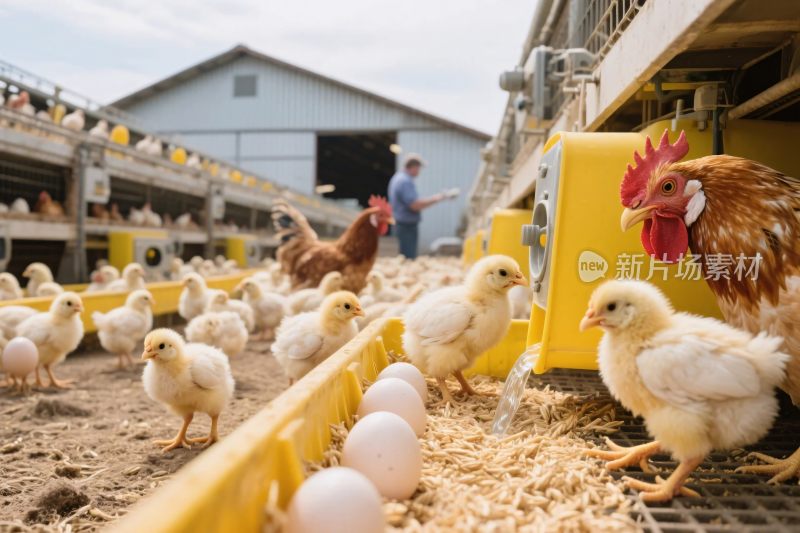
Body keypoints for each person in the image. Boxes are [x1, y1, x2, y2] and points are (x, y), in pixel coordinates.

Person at [387, 153, 456, 259]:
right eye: (419, 168)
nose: (419, 172)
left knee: (403, 256)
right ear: (414, 167)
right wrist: (439, 197)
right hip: (406, 226)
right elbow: (414, 205)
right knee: (408, 257)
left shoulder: (398, 178)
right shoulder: (405, 181)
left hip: (401, 223)